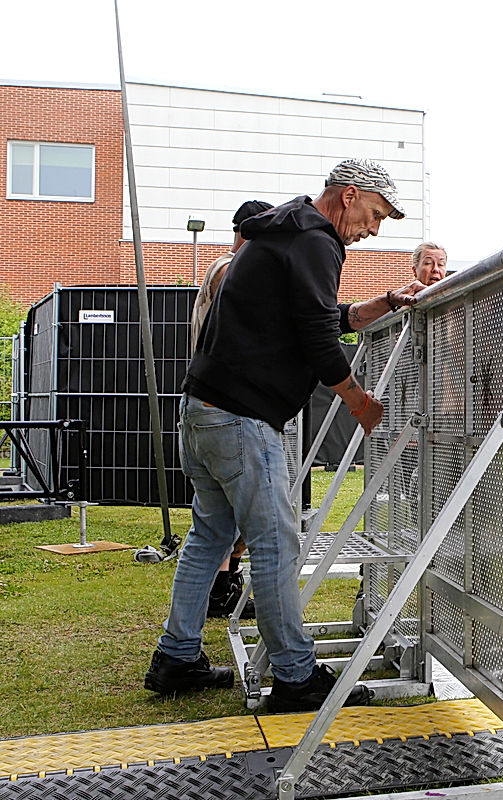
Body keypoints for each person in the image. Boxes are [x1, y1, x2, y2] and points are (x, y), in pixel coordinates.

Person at [145, 158, 426, 712]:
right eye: (375, 214)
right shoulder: (318, 241)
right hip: (242, 420)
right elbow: (320, 341)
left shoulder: (282, 230)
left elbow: (322, 317)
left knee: (209, 539)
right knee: (276, 546)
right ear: (348, 196)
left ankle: (176, 656)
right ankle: (296, 678)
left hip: (202, 411)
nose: (374, 229)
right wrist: (362, 404)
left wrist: (384, 303)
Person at [190, 199, 273, 620]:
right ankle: (222, 593)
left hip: (212, 408)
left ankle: (219, 593)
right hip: (226, 408)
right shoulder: (229, 268)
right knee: (258, 524)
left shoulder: (225, 268)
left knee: (216, 525)